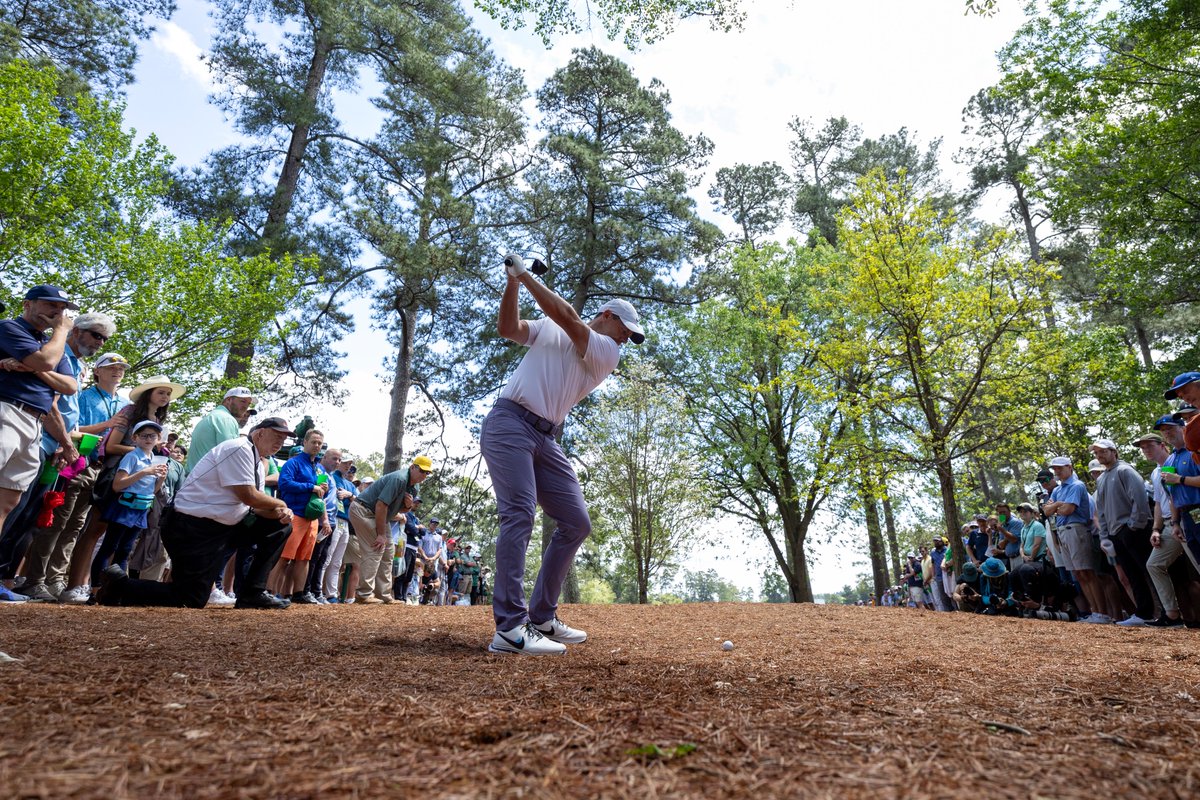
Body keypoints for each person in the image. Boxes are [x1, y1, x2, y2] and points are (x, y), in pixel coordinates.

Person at [481, 253, 644, 655]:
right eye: (627, 330)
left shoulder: (606, 352)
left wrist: (524, 275)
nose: (628, 339)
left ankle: (542, 617)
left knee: (576, 522)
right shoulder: (551, 331)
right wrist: (512, 284)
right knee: (519, 513)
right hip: (509, 423)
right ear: (607, 316)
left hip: (546, 438)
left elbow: (569, 317)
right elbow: (508, 328)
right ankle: (510, 629)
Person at [96, 417, 296, 609]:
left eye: (284, 438)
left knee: (279, 525)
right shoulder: (239, 448)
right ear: (260, 433)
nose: (281, 441)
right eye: (277, 435)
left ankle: (252, 593)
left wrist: (280, 511)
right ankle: (119, 585)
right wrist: (281, 502)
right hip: (190, 528)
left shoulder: (257, 462)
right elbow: (249, 496)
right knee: (190, 597)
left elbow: (255, 507)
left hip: (219, 529)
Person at [2, 316, 117, 601]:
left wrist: (69, 443)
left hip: (60, 448)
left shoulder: (76, 365)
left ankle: (7, 579)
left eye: (104, 339)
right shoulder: (57, 352)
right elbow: (51, 404)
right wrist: (65, 443)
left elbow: (67, 398)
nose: (99, 342)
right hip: (42, 441)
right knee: (17, 510)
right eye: (95, 335)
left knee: (31, 515)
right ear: (75, 331)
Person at [61, 374, 184, 603]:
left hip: (140, 488)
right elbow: (111, 446)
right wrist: (143, 453)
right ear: (149, 393)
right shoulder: (129, 412)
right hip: (116, 476)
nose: (165, 397)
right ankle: (77, 584)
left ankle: (106, 588)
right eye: (161, 392)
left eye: (168, 393)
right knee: (96, 530)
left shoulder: (158, 420)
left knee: (121, 542)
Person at [0, 285, 80, 601]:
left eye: (62, 309)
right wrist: (59, 335)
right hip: (6, 410)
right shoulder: (10, 327)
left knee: (6, 504)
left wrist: (32, 366)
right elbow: (48, 362)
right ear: (28, 304)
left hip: (35, 421)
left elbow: (70, 386)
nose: (57, 312)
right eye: (50, 305)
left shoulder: (49, 345)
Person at [88, 420, 168, 584]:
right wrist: (144, 472)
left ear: (158, 438)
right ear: (135, 438)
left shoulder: (155, 459)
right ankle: (95, 589)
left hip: (142, 507)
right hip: (124, 507)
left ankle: (116, 590)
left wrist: (161, 478)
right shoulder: (131, 457)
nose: (148, 439)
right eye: (143, 435)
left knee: (125, 550)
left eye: (152, 435)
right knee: (109, 548)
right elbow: (118, 485)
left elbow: (152, 491)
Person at [347, 456, 431, 604]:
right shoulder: (399, 479)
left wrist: (409, 506)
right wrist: (380, 534)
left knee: (388, 552)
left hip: (380, 516)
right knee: (376, 548)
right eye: (422, 471)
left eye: (427, 473)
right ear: (413, 467)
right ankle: (363, 594)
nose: (424, 475)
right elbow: (381, 505)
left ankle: (383, 595)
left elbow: (402, 510)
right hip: (364, 510)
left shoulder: (414, 487)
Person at [1091, 438, 1155, 627]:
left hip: (1134, 531)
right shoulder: (1101, 479)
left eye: (1103, 451)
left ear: (1114, 451)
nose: (1099, 455)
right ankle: (1145, 613)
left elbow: (1140, 499)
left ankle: (1167, 613)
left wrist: (1133, 526)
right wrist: (1105, 536)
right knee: (1132, 575)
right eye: (1096, 453)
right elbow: (1101, 510)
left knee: (1148, 571)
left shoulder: (1125, 471)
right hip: (1115, 534)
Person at [1043, 456, 1109, 623]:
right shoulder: (1058, 490)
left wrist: (1056, 505)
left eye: (1060, 468)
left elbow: (1067, 510)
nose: (1057, 471)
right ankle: (1094, 611)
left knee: (1087, 572)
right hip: (1063, 531)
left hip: (1077, 529)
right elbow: (1047, 511)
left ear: (1069, 467)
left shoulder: (1077, 485)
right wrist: (1058, 504)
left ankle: (1103, 612)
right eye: (1055, 469)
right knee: (1078, 574)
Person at [1134, 427, 1190, 628]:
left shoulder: (1178, 462)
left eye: (1150, 445)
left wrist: (1177, 522)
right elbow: (1158, 503)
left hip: (1186, 518)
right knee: (1154, 564)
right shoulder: (1156, 472)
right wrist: (1155, 529)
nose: (1146, 450)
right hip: (1168, 525)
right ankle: (1172, 615)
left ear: (1162, 445)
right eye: (1143, 448)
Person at [274, 429, 330, 604]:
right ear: (304, 442)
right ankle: (269, 591)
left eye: (320, 443)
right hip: (294, 514)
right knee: (284, 556)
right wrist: (310, 487)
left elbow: (320, 494)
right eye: (313, 442)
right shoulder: (293, 463)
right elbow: (284, 484)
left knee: (304, 558)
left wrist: (323, 491)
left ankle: (299, 593)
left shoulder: (319, 467)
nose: (316, 446)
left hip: (311, 518)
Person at [186, 387, 254, 471]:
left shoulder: (214, 416)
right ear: (228, 400)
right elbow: (230, 458)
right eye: (242, 401)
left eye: (248, 403)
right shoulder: (226, 419)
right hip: (206, 481)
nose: (245, 407)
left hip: (196, 478)